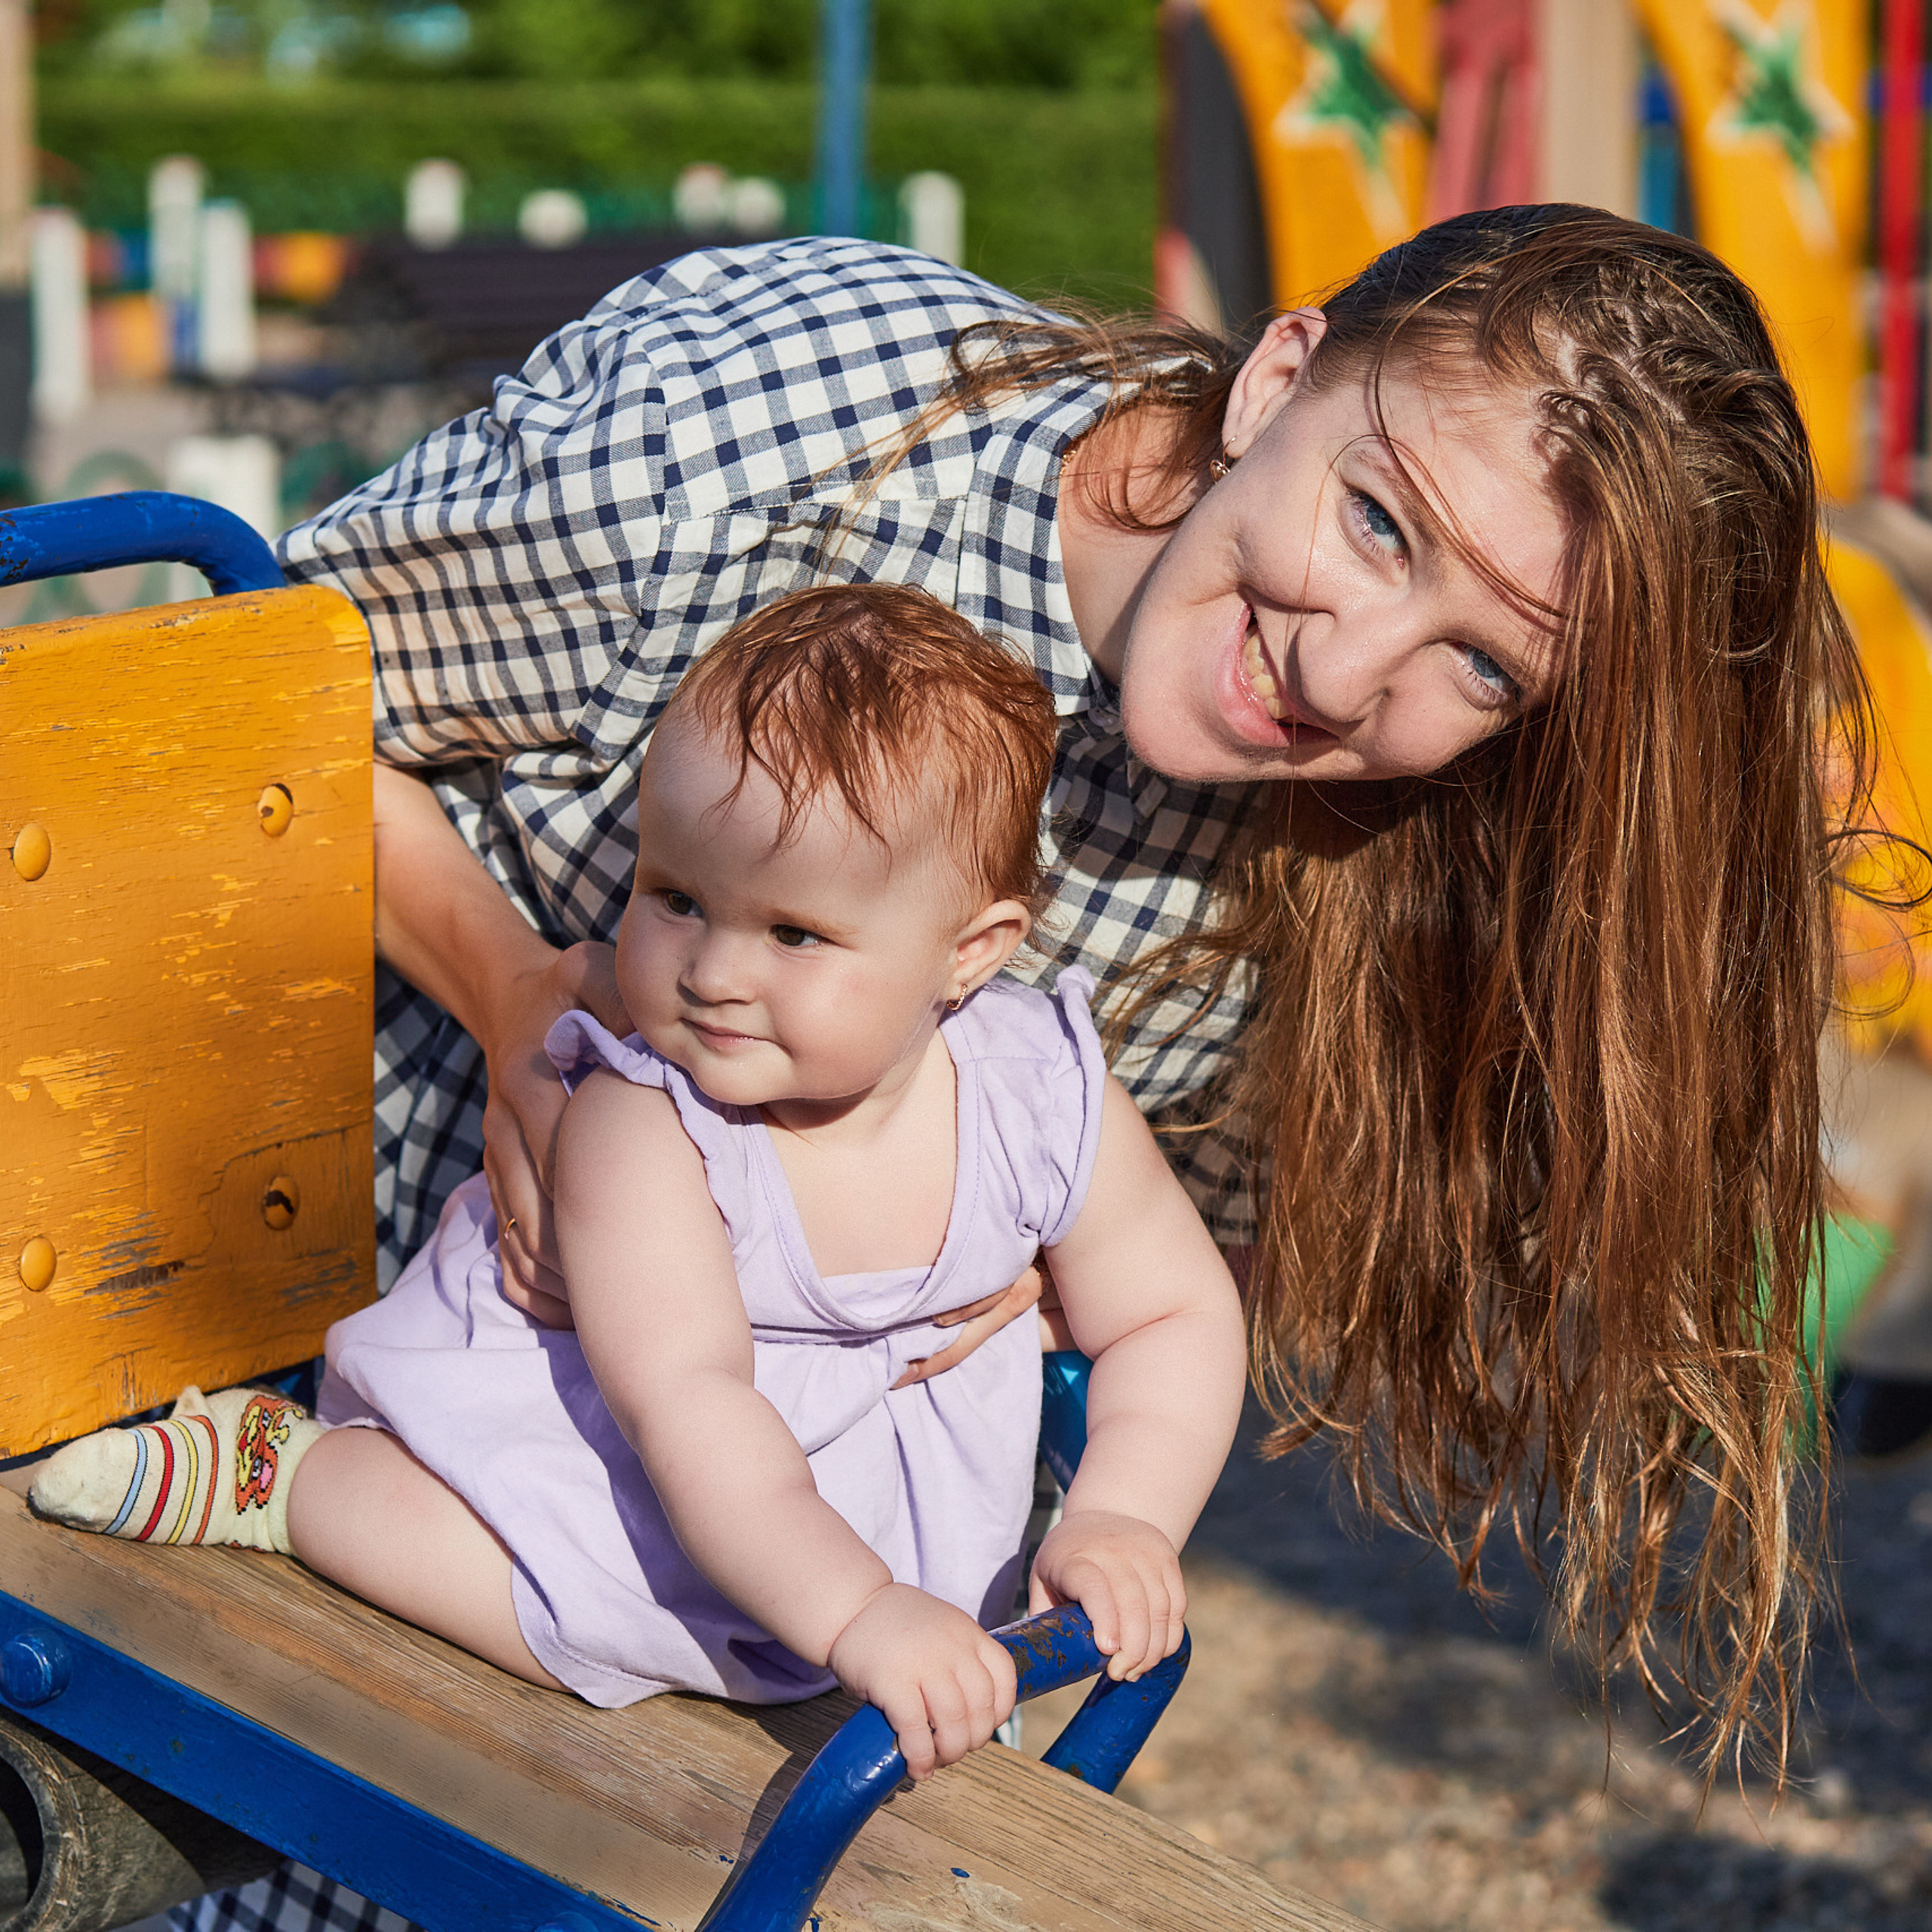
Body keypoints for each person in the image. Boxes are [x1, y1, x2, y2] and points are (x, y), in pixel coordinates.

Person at [126, 202, 1869, 1930]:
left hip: (796, 1605)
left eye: (1479, 660)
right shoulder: (772, 440)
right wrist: (512, 989)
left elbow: (1193, 1247)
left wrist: (1026, 1310)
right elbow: (237, 711)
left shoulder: (1372, 851)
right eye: (1373, 518)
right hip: (319, 1317)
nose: (1342, 670)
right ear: (1275, 377)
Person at [33, 584, 1247, 1777]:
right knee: (560, 1610)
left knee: (894, 1693)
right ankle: (287, 1476)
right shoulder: (650, 1120)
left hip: (847, 1520)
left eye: (794, 933)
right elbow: (689, 1406)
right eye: (676, 899)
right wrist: (858, 1608)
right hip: (619, 1462)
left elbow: (1172, 1311)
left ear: (970, 952)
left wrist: (1121, 1514)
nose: (713, 971)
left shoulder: (1040, 1092)